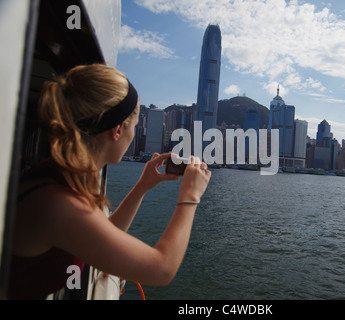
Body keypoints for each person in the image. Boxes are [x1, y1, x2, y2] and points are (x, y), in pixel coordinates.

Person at [9, 64, 211, 299]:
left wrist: (143, 185)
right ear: (117, 130)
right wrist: (190, 197)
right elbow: (161, 270)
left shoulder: (63, 175)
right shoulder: (59, 205)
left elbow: (103, 234)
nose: (134, 134)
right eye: (134, 126)